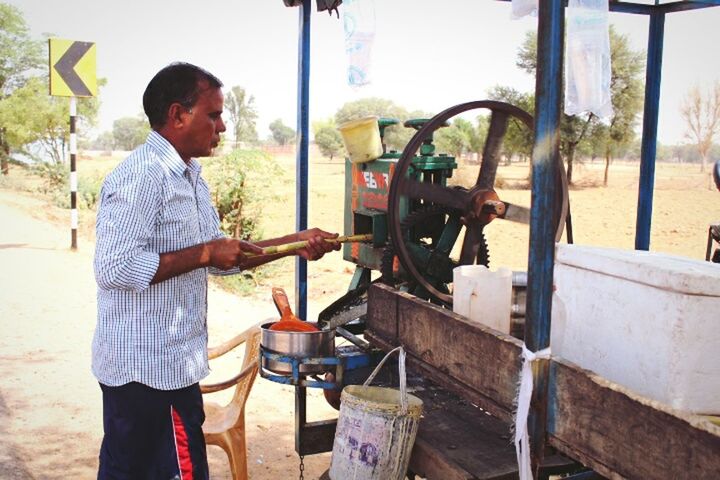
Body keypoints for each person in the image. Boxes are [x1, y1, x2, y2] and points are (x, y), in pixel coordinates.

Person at [91, 62, 339, 480]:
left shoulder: (189, 175)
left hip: (170, 371)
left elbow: (227, 257)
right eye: (214, 114)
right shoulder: (143, 176)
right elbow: (114, 268)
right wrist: (204, 253)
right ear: (177, 115)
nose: (222, 126)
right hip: (148, 378)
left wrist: (297, 243)